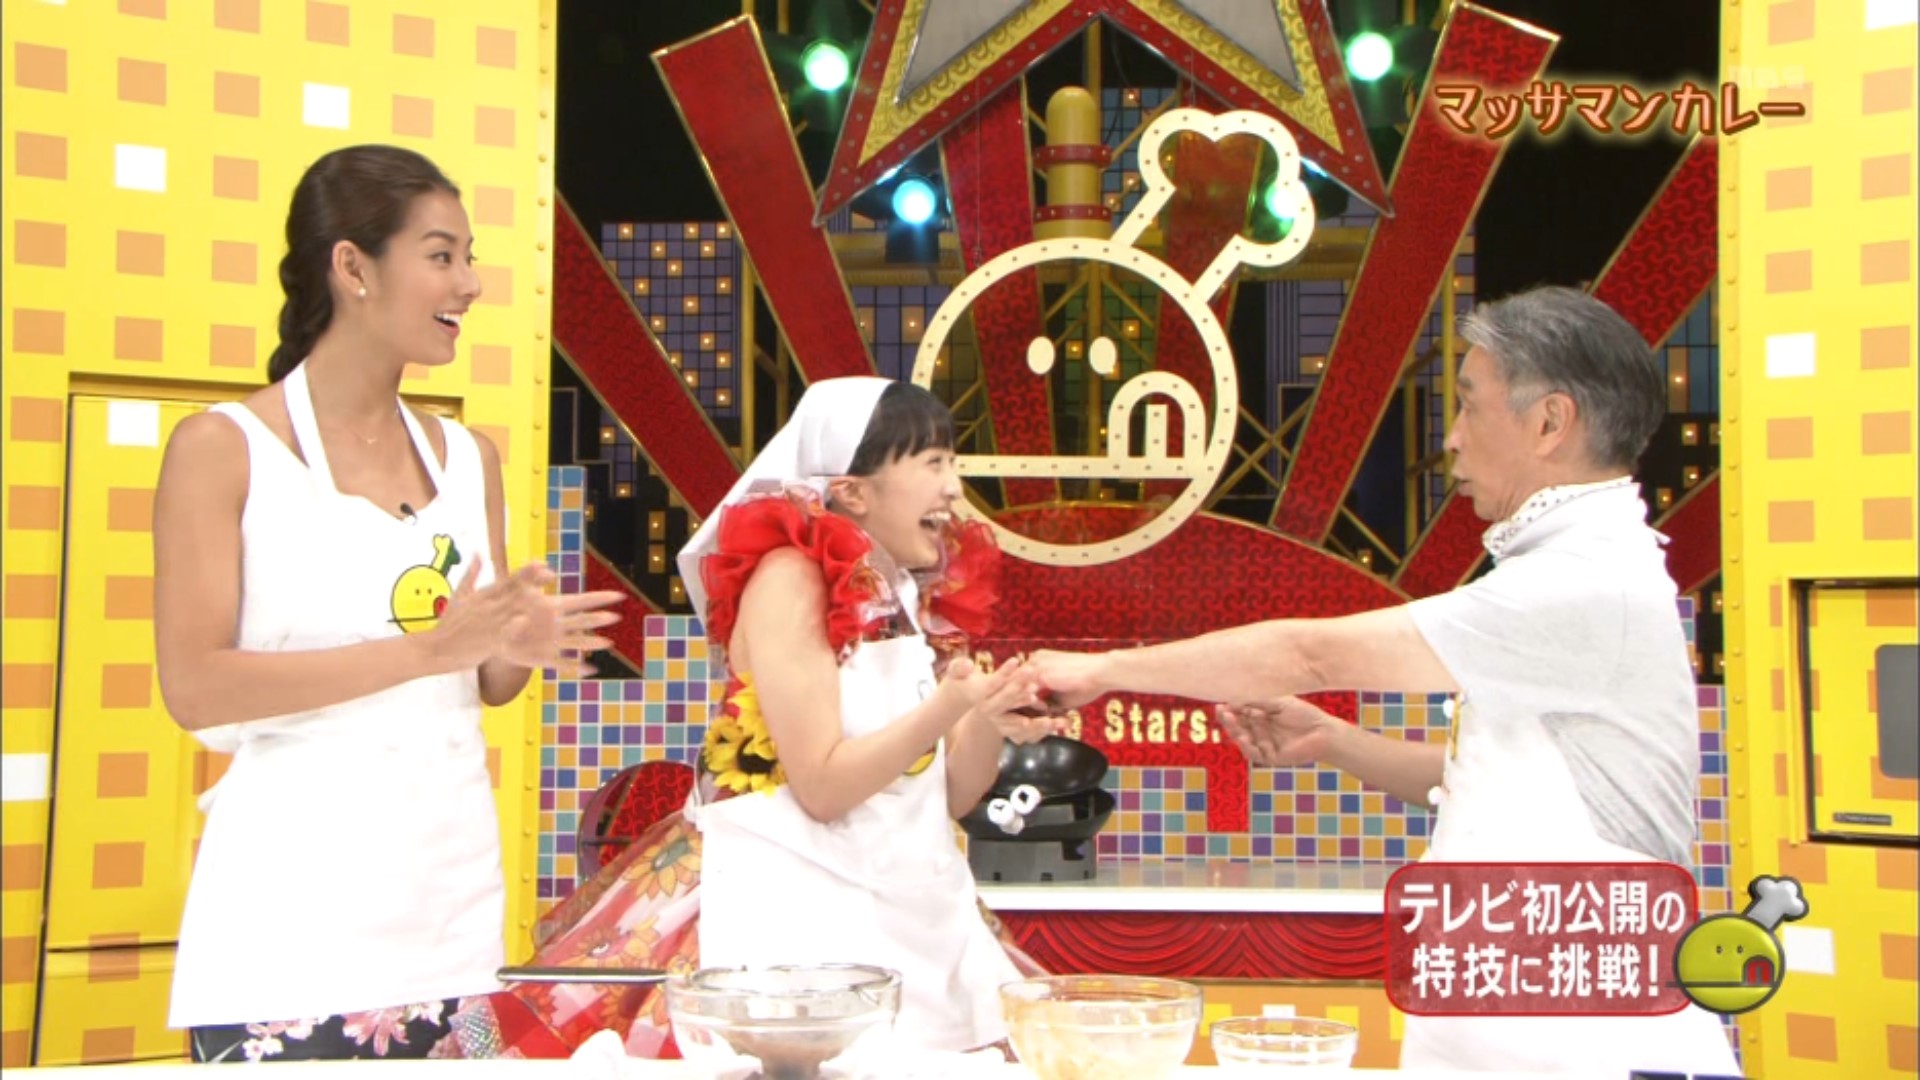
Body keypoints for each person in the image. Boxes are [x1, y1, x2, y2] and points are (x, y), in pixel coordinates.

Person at [1029, 286, 1742, 1075]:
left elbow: (1310, 655)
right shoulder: (1571, 569)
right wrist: (1334, 741)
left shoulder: (1583, 581)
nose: (1453, 439)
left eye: (1470, 405)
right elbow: (1487, 782)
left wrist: (1103, 671)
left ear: (1549, 422)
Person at [153, 144, 623, 1063]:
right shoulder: (223, 449)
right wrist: (426, 651)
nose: (470, 283)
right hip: (288, 933)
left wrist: (514, 642)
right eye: (442, 256)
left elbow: (485, 683)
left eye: (469, 257)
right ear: (353, 267)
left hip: (451, 918)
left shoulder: (469, 458)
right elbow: (195, 688)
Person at [432, 377, 1056, 1061]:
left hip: (915, 913)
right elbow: (821, 787)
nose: (954, 489)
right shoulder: (790, 578)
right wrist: (947, 707)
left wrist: (986, 717)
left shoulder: (906, 594)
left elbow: (948, 797)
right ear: (853, 490)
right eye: (934, 463)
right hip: (788, 912)